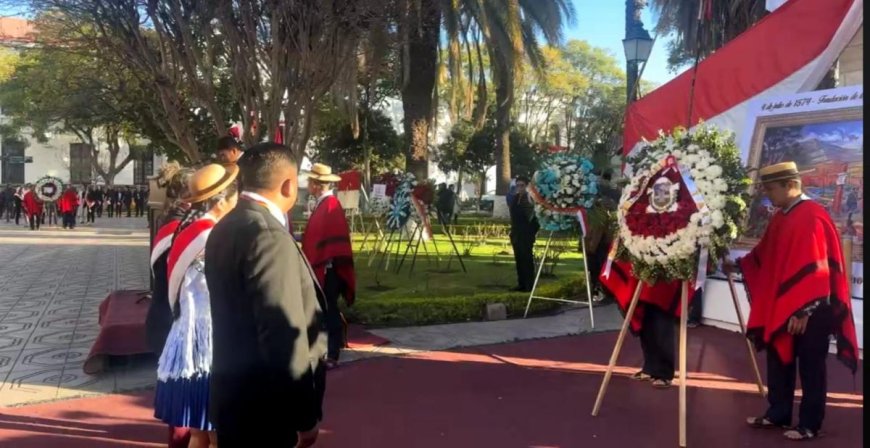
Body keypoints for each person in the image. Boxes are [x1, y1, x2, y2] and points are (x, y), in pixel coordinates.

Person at [723, 162, 858, 442]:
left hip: (813, 309)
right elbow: (766, 255)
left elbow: (818, 270)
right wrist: (737, 267)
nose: (768, 195)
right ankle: (778, 413)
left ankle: (810, 423)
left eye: (771, 189)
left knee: (811, 365)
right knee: (778, 358)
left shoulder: (812, 216)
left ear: (790, 185)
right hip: (786, 305)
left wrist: (802, 310)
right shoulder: (782, 216)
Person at [205, 143, 326, 448]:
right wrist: (304, 417)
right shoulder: (266, 234)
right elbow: (282, 332)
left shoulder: (226, 224)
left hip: (234, 396)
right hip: (265, 412)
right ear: (288, 185)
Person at [154, 163, 239, 448]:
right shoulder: (214, 236)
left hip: (184, 341)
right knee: (216, 434)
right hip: (209, 348)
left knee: (199, 432)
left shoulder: (185, 231)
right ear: (223, 199)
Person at [302, 163, 356, 369]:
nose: (307, 184)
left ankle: (332, 352)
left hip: (328, 269)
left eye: (309, 181)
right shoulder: (323, 204)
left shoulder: (331, 205)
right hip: (322, 266)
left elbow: (335, 240)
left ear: (316, 185)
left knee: (329, 309)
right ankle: (327, 348)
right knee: (324, 310)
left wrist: (322, 258)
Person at [507, 176, 539, 292]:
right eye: (517, 185)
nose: (519, 188)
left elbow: (535, 219)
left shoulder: (530, 200)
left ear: (527, 186)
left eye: (522, 185)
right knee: (519, 259)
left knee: (527, 259)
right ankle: (521, 283)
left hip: (526, 234)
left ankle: (529, 285)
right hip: (516, 233)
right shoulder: (515, 198)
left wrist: (531, 232)